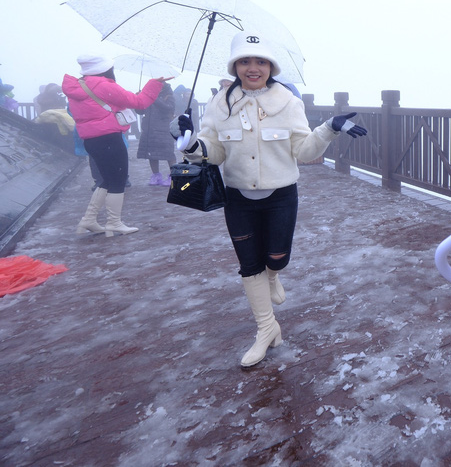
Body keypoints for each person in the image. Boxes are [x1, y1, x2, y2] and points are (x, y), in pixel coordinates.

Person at [172, 32, 367, 368]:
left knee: (276, 258)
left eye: (261, 61)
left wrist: (329, 129)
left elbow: (303, 151)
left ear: (271, 66)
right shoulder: (220, 104)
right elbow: (214, 152)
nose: (253, 68)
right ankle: (267, 328)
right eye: (245, 61)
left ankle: (273, 276)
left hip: (280, 196)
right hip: (238, 196)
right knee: (249, 265)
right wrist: (189, 143)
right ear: (235, 66)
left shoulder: (288, 102)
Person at [62, 55, 171, 236]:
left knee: (106, 179)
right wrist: (154, 84)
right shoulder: (103, 85)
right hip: (109, 138)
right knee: (118, 180)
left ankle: (88, 220)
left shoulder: (79, 86)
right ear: (105, 69)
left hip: (91, 139)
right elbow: (139, 102)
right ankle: (114, 223)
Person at [136, 81, 176, 186]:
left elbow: (168, 108)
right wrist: (138, 99)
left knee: (169, 154)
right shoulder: (149, 95)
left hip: (163, 129)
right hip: (149, 130)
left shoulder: (169, 95)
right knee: (152, 154)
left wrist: (153, 98)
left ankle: (173, 176)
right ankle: (156, 176)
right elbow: (140, 111)